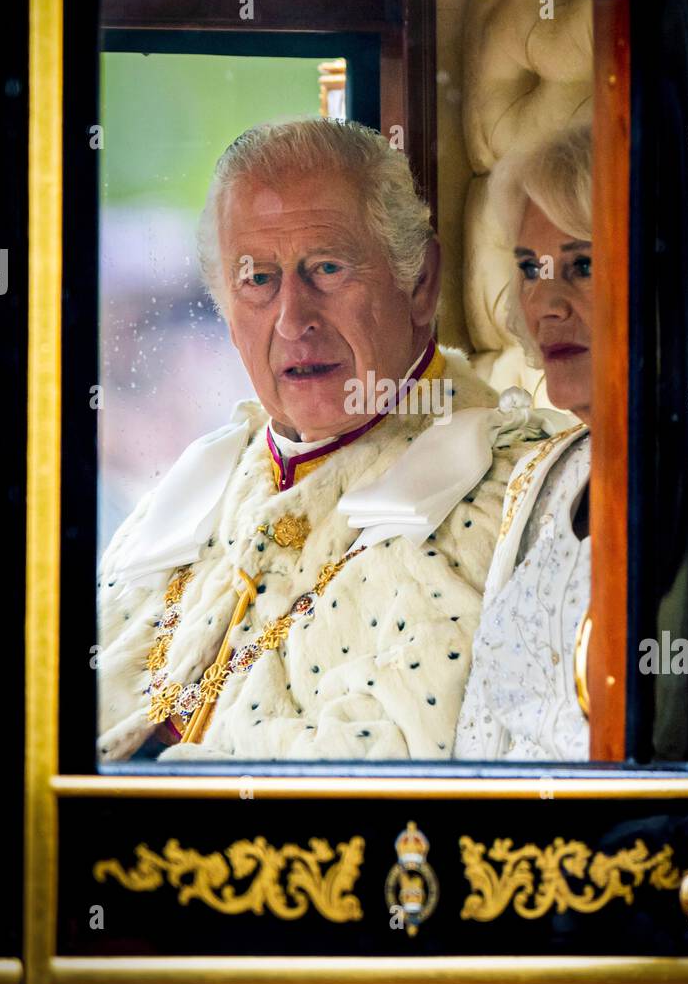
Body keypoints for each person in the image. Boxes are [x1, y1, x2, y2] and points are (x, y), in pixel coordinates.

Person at [97, 118, 552, 763]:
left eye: (328, 269)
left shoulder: (509, 499)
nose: (292, 321)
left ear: (420, 282)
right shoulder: (199, 482)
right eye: (257, 280)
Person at [453, 125, 593, 761]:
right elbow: (482, 726)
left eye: (582, 266)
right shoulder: (545, 471)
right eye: (531, 271)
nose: (547, 305)